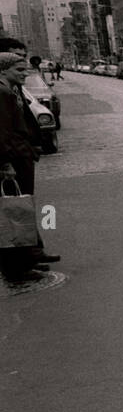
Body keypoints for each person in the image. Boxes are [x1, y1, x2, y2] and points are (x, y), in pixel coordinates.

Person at [0, 51, 59, 283]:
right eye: (19, 70)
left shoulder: (11, 89)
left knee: (21, 207)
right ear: (3, 69)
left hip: (20, 155)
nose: (25, 73)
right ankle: (17, 269)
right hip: (13, 159)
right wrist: (5, 163)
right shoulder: (3, 92)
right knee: (15, 210)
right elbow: (3, 132)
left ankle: (30, 256)